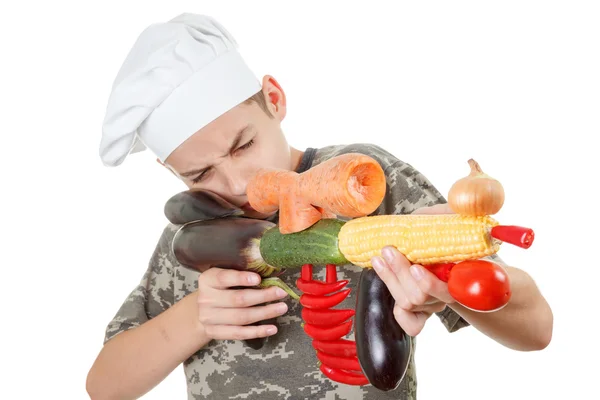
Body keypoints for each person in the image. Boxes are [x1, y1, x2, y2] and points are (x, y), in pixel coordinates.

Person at [87, 13, 553, 400]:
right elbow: (105, 386)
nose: (238, 183)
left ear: (274, 99)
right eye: (200, 174)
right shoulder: (194, 237)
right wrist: (195, 317)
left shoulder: (368, 180)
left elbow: (536, 330)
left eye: (243, 144)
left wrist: (447, 290)